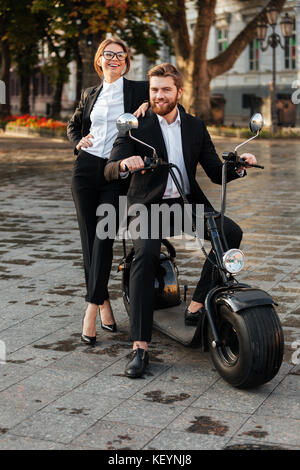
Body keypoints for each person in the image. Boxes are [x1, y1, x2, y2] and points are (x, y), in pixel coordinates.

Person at [104, 63, 257, 377]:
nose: (159, 96)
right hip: (147, 208)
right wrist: (125, 163)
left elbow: (216, 172)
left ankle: (198, 303)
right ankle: (140, 347)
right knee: (146, 256)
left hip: (186, 204)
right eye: (154, 90)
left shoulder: (195, 126)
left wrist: (239, 165)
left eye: (165, 90)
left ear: (179, 92)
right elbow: (109, 168)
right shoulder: (136, 126)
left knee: (229, 232)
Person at [67, 37, 149, 345]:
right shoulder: (91, 93)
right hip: (86, 170)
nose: (114, 58)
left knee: (103, 238)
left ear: (126, 61)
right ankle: (102, 300)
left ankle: (90, 308)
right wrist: (78, 140)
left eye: (120, 54)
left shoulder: (138, 89)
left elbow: (168, 98)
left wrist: (148, 104)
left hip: (116, 171)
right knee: (89, 239)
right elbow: (73, 124)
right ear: (99, 60)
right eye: (108, 54)